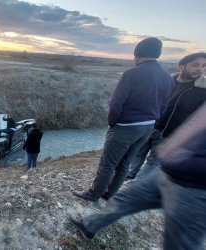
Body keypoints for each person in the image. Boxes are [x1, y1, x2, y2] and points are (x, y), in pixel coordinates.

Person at [69, 102, 206, 250]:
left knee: (180, 245)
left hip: (196, 189)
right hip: (167, 171)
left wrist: (182, 157)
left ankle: (91, 216)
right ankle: (89, 226)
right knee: (125, 198)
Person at [72, 37, 174, 202]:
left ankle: (94, 194)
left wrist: (112, 123)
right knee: (125, 163)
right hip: (148, 127)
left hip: (126, 127)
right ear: (157, 54)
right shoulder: (167, 78)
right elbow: (164, 106)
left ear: (136, 54)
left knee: (108, 164)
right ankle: (109, 195)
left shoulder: (131, 74)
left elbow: (116, 104)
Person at [126, 52, 206, 180]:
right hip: (150, 126)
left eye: (204, 66)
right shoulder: (166, 81)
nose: (200, 69)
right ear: (182, 67)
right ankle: (130, 175)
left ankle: (136, 187)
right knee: (138, 153)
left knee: (153, 162)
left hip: (171, 134)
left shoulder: (203, 90)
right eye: (195, 65)